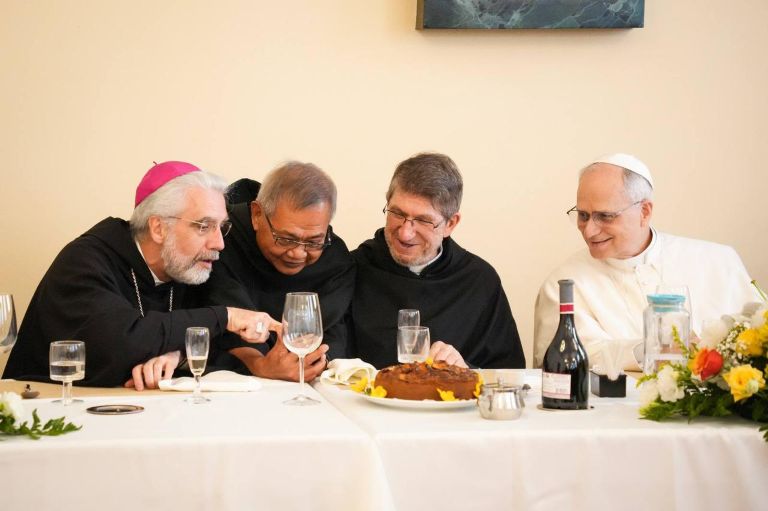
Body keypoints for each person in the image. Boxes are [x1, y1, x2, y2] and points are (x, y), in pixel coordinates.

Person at [3, 161, 279, 389]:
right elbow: (120, 343)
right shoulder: (85, 261)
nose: (219, 243)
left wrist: (178, 353)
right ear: (158, 228)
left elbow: (232, 344)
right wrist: (225, 317)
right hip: (47, 412)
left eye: (221, 227)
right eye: (203, 226)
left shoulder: (191, 266)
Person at [533, 153, 760, 370]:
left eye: (605, 216)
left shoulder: (718, 261)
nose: (589, 231)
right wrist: (651, 349)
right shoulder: (563, 283)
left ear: (644, 211)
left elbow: (759, 338)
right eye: (583, 215)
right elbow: (564, 361)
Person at [349, 152, 526, 369]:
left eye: (423, 220)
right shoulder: (351, 269)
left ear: (450, 224)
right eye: (397, 213)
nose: (405, 233)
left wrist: (466, 371)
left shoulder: (479, 281)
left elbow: (509, 374)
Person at [200, 161, 355, 382]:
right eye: (286, 239)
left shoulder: (336, 260)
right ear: (257, 215)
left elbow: (332, 333)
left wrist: (312, 364)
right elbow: (223, 320)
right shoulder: (222, 239)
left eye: (313, 242)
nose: (298, 253)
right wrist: (260, 364)